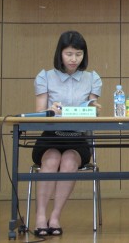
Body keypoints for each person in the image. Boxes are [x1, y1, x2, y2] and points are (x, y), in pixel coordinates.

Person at [31, 30, 102, 237]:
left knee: (70, 161)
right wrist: (50, 110)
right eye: (69, 54)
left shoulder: (92, 78)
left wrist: (94, 109)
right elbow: (39, 113)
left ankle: (55, 216)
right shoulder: (45, 77)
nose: (74, 59)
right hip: (50, 136)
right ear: (60, 53)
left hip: (77, 137)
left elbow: (93, 111)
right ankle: (40, 216)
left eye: (78, 54)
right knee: (52, 159)